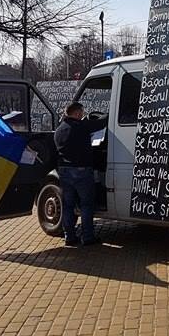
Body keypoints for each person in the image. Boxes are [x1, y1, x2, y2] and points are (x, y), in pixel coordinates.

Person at [54, 102, 108, 247]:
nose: (83, 115)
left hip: (64, 171)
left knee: (68, 205)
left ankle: (69, 237)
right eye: (82, 113)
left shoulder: (59, 130)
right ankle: (88, 237)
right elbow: (101, 123)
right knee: (86, 204)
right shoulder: (82, 126)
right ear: (77, 113)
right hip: (82, 171)